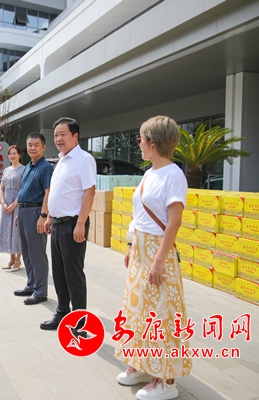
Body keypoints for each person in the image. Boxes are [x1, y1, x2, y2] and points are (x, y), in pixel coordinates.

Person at [114, 116, 191, 400]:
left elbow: (174, 222)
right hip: (141, 250)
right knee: (138, 311)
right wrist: (130, 245)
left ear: (153, 143)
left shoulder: (174, 175)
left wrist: (158, 261)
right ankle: (143, 365)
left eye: (141, 139)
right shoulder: (149, 174)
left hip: (159, 252)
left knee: (161, 314)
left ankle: (166, 379)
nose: (139, 144)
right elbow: (139, 216)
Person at [41, 117, 96, 330]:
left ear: (75, 136)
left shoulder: (84, 159)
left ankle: (80, 324)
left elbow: (89, 192)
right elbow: (58, 192)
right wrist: (49, 217)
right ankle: (62, 313)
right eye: (56, 135)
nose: (58, 139)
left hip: (73, 225)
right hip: (57, 224)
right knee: (59, 274)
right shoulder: (61, 160)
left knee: (73, 275)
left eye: (63, 134)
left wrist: (80, 223)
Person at [13, 133, 53, 306]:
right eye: (30, 145)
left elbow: (48, 192)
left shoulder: (46, 167)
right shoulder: (28, 166)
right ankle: (31, 285)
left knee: (37, 254)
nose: (32, 148)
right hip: (23, 211)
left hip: (35, 212)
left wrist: (43, 216)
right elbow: (24, 190)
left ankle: (40, 291)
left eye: (36, 145)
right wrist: (18, 212)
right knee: (27, 252)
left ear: (44, 147)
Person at [0, 145, 25, 272]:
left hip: (17, 204)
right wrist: (3, 203)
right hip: (6, 206)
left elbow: (23, 190)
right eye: (10, 154)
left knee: (16, 231)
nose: (12, 156)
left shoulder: (24, 170)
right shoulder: (6, 170)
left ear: (19, 155)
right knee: (7, 230)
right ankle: (11, 258)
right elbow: (1, 188)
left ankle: (18, 260)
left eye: (15, 153)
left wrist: (13, 205)